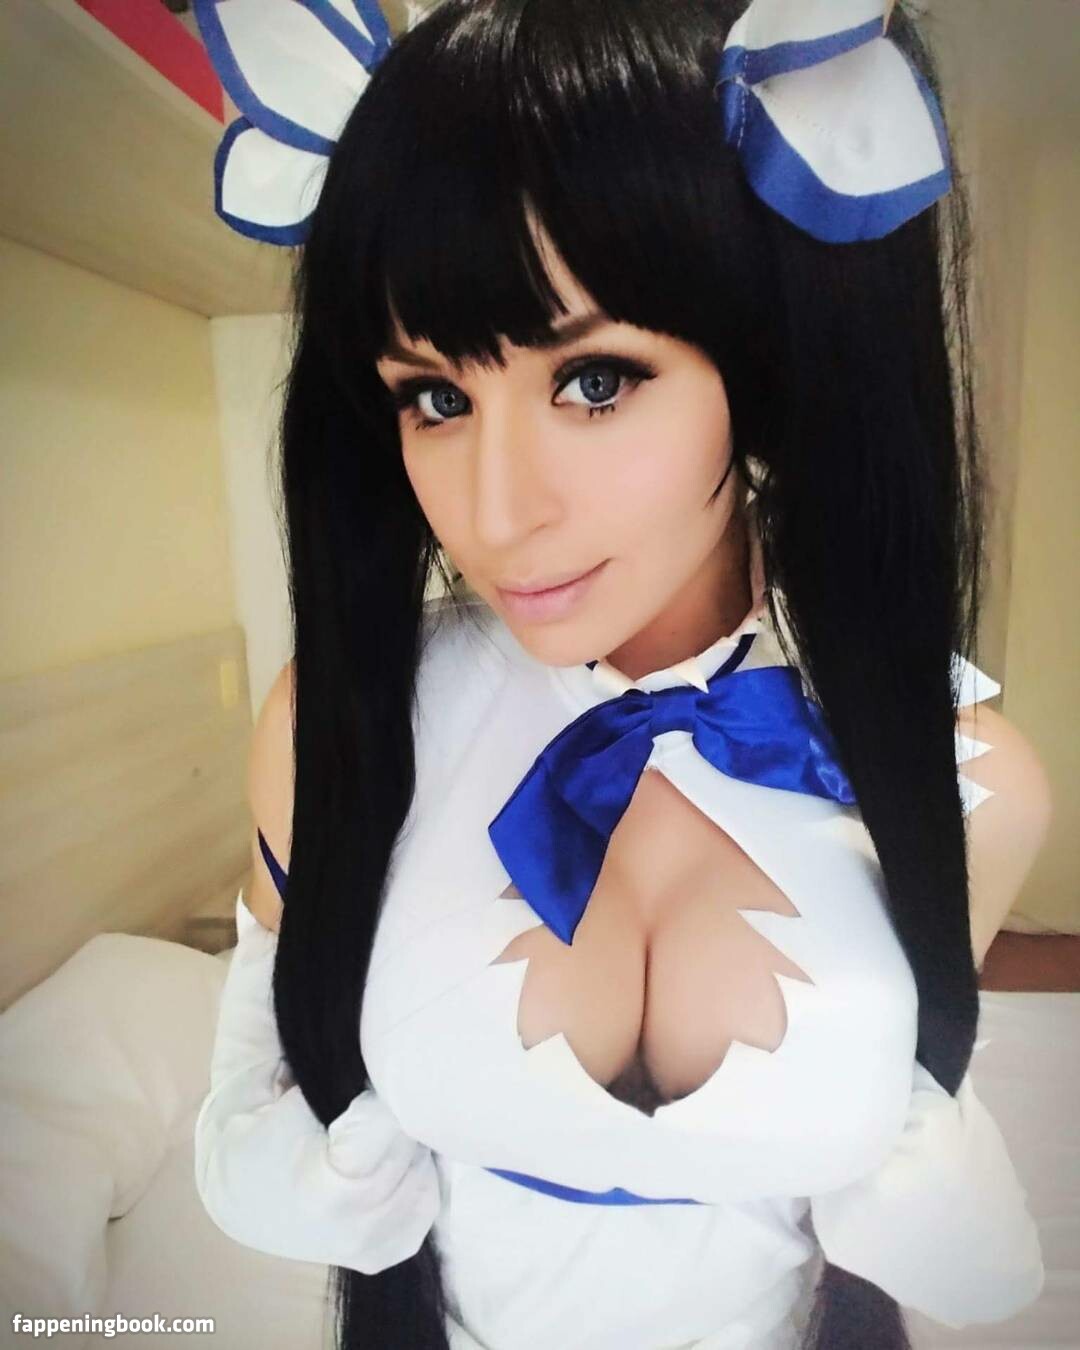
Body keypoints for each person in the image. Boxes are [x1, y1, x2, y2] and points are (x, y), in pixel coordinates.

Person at [190, 1, 1052, 1346]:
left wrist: (956, 1223)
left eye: (594, 381)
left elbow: (931, 1129)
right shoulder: (340, 727)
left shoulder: (968, 778)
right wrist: (316, 1177)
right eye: (435, 397)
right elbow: (255, 1088)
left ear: (761, 363)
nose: (495, 511)